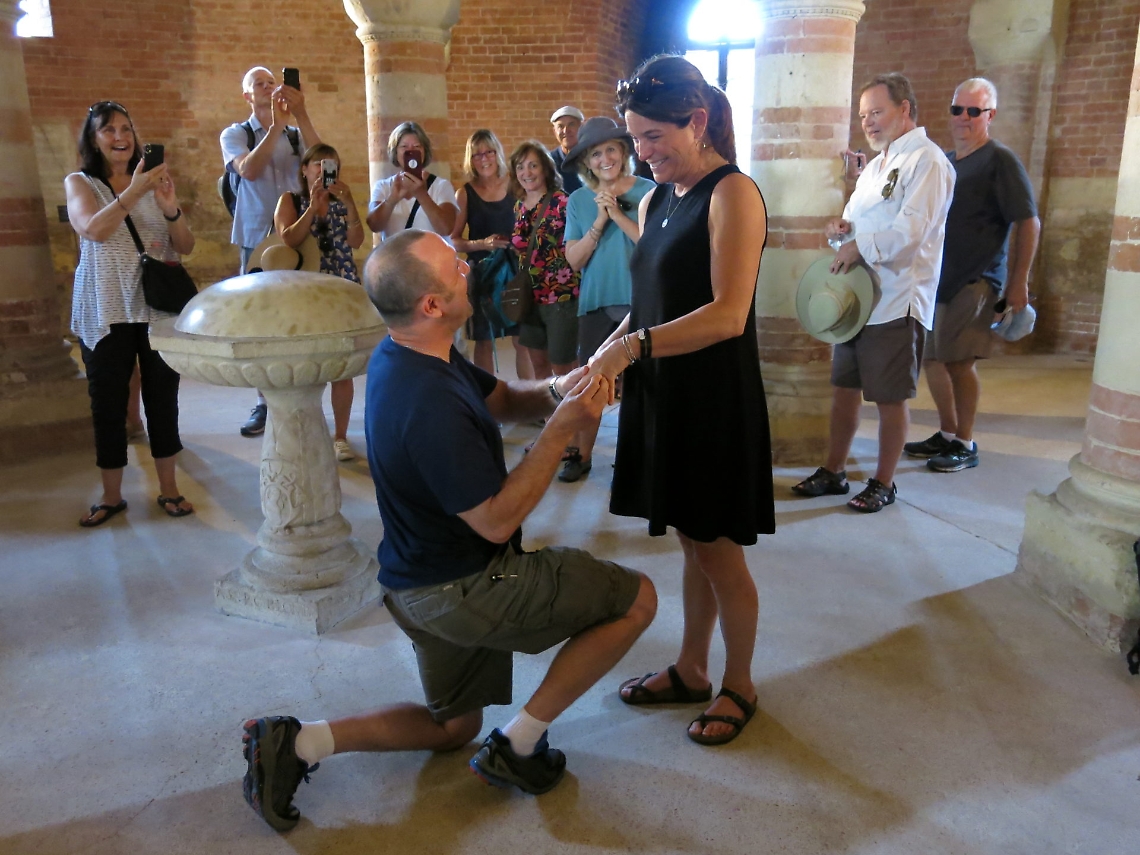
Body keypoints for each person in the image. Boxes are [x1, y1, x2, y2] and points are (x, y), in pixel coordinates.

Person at [240, 231, 657, 830]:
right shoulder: (426, 401)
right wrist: (564, 429)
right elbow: (494, 521)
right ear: (431, 305)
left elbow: (508, 399)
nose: (469, 266)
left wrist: (568, 386)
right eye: (454, 267)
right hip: (465, 587)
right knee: (637, 600)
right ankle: (519, 745)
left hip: (414, 584)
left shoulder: (411, 351)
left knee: (453, 727)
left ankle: (296, 742)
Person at [588, 55, 772, 746]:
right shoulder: (656, 197)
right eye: (636, 138)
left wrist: (629, 351)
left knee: (720, 552)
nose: (643, 152)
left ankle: (741, 682)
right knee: (694, 545)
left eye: (654, 138)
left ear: (697, 121)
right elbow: (649, 305)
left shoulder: (733, 194)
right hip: (666, 389)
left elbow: (728, 314)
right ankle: (692, 668)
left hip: (712, 397)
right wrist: (606, 352)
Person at [792, 72, 955, 512]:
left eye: (877, 112)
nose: (869, 122)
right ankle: (835, 471)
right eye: (863, 115)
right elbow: (855, 226)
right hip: (857, 298)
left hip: (897, 299)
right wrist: (839, 231)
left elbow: (912, 231)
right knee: (844, 388)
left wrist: (857, 244)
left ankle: (884, 482)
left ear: (905, 109)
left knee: (888, 397)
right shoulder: (878, 165)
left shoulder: (928, 161)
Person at [65, 101, 196, 526]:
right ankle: (111, 495)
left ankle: (170, 488)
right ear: (94, 138)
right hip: (106, 307)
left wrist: (171, 206)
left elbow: (185, 244)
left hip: (156, 308)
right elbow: (94, 229)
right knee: (107, 402)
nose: (120, 137)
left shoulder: (153, 180)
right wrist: (136, 191)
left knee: (163, 399)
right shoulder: (81, 182)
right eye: (109, 130)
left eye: (126, 128)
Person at [903, 78, 1040, 473]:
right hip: (937, 279)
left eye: (973, 111)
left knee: (960, 362)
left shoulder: (1000, 160)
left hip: (977, 279)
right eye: (957, 109)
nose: (963, 118)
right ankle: (947, 433)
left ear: (989, 115)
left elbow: (1028, 223)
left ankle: (966, 441)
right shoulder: (946, 161)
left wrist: (1018, 283)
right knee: (932, 358)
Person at [221, 66, 321, 438]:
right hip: (255, 233)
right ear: (248, 96)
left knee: (300, 313)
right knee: (259, 320)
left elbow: (324, 160)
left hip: (295, 234)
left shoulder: (295, 133)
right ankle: (264, 403)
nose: (267, 87)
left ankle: (301, 396)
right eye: (258, 84)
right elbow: (247, 169)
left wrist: (302, 114)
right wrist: (276, 126)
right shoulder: (236, 133)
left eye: (270, 82)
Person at [560, 116, 654, 482]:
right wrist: (600, 220)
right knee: (590, 381)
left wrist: (617, 212)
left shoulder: (648, 189)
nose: (604, 159)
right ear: (586, 162)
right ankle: (581, 456)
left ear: (624, 151)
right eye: (596, 154)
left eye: (610, 150)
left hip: (641, 301)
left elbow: (652, 247)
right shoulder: (580, 201)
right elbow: (574, 259)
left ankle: (635, 458)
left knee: (641, 385)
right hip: (596, 303)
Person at [273, 143, 366, 462]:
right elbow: (288, 238)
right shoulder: (291, 200)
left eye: (332, 166)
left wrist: (350, 202)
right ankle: (305, 432)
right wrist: (313, 207)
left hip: (342, 285)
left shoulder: (342, 200)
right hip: (305, 288)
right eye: (318, 165)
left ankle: (340, 436)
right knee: (307, 363)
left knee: (343, 365)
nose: (324, 171)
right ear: (304, 169)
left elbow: (356, 241)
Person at [449, 129, 533, 380]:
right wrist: (481, 244)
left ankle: (530, 402)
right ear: (470, 159)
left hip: (516, 270)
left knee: (523, 339)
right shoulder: (465, 193)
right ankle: (489, 406)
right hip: (483, 273)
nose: (484, 158)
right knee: (484, 341)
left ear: (498, 153)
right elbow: (453, 241)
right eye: (476, 155)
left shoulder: (516, 185)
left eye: (489, 152)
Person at [509, 141, 580, 381]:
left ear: (545, 169)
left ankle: (573, 414)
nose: (526, 173)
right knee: (538, 363)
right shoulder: (519, 206)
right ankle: (548, 415)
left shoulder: (563, 202)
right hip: (531, 296)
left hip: (561, 295)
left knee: (563, 366)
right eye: (521, 167)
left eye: (533, 166)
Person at [366, 122, 458, 241]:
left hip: (433, 258)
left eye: (416, 147)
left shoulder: (441, 185)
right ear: (395, 151)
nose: (410, 151)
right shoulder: (383, 186)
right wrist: (392, 199)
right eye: (404, 147)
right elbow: (374, 225)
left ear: (424, 151)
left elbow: (446, 228)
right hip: (397, 258)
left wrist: (422, 195)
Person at [549, 106, 585, 194]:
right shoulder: (548, 162)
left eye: (571, 125)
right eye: (560, 126)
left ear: (581, 128)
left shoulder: (592, 158)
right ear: (554, 131)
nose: (566, 131)